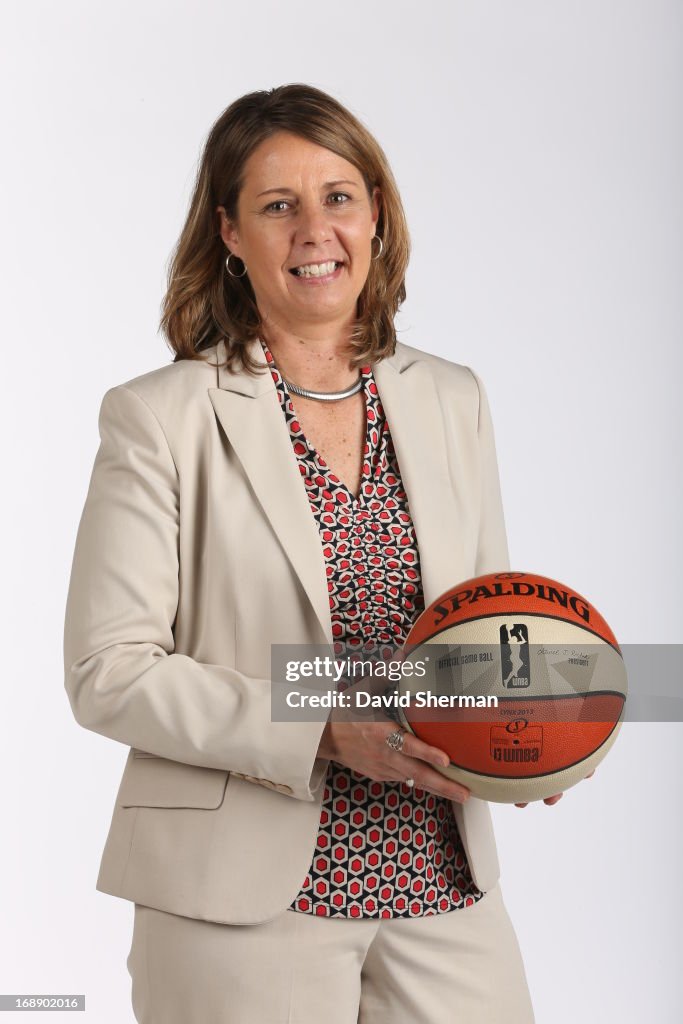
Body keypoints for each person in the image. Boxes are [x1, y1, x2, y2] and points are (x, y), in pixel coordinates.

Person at [63, 82, 565, 1023]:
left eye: (337, 197)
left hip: (438, 875)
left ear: (376, 214)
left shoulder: (451, 398)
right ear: (228, 231)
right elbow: (108, 670)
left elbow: (488, 627)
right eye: (276, 205)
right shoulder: (160, 417)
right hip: (238, 898)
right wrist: (324, 726)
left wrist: (526, 737)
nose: (314, 230)